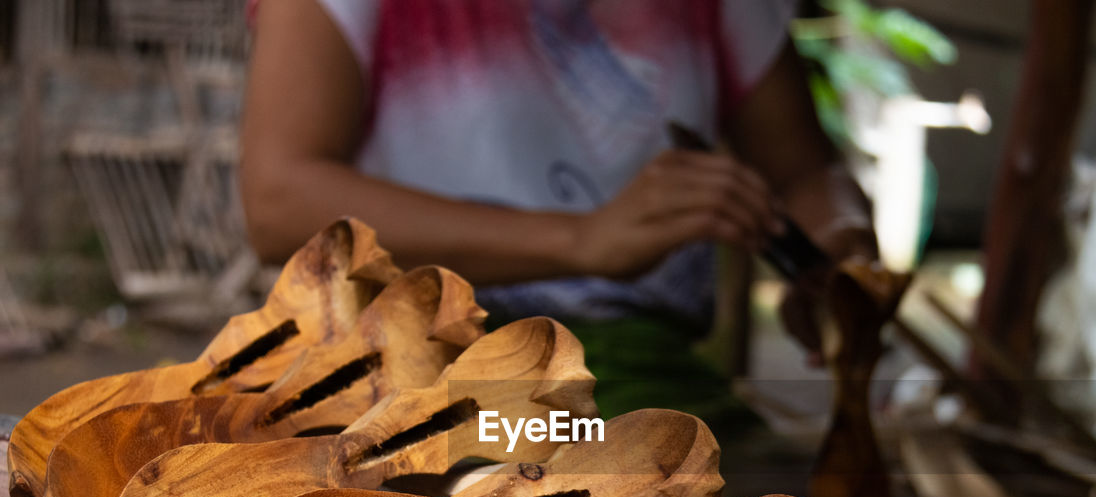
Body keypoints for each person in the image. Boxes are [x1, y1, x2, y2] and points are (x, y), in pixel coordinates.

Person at [239, 0, 878, 433]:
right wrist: (581, 239)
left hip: (637, 377)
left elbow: (807, 174)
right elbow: (278, 200)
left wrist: (842, 255)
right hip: (414, 358)